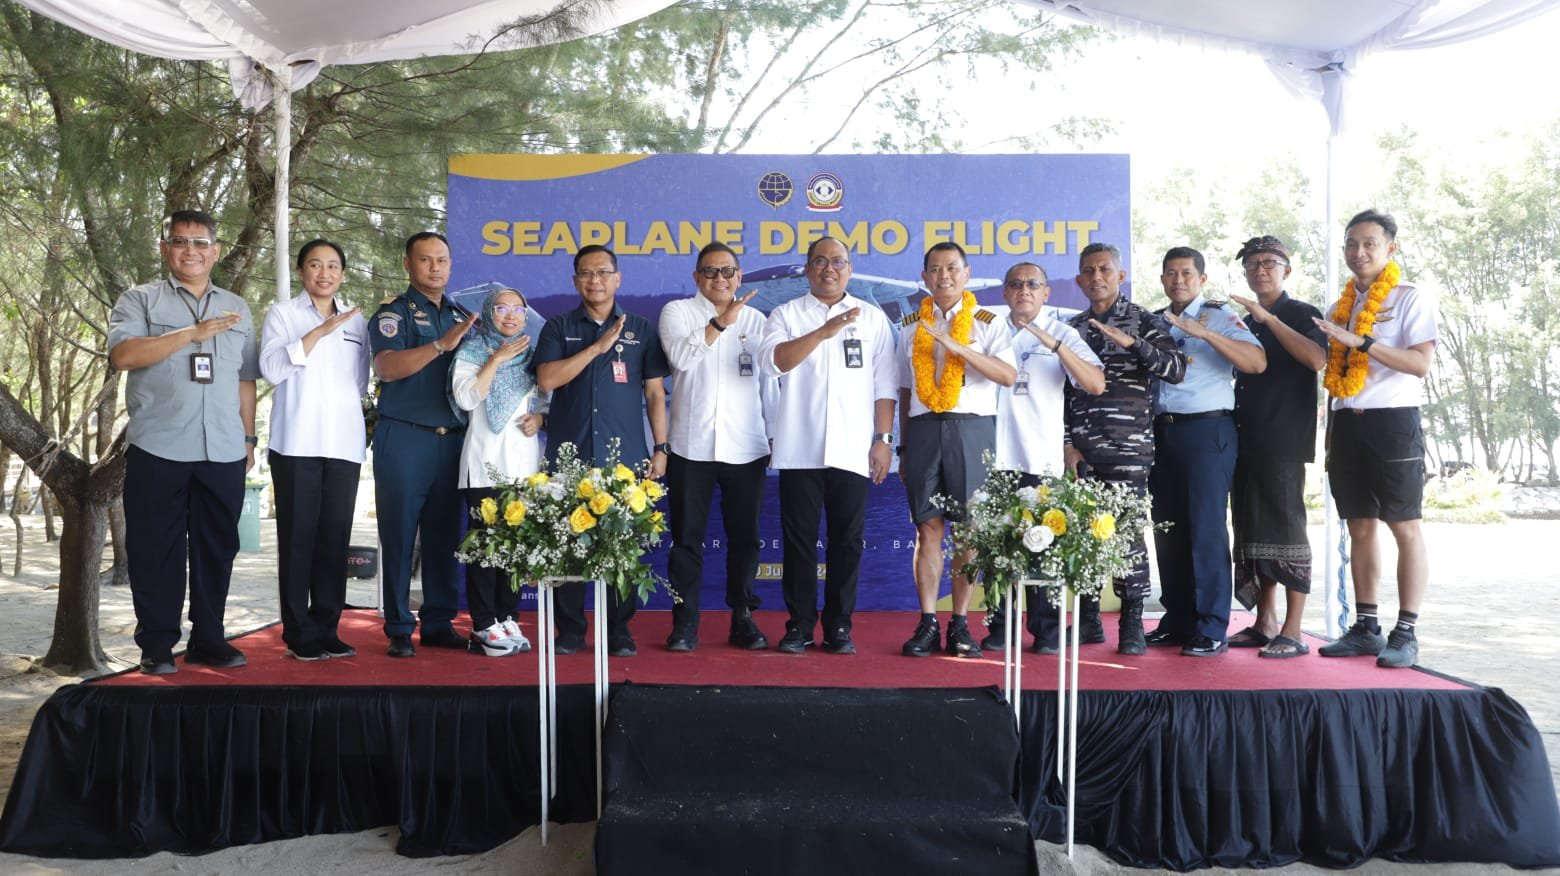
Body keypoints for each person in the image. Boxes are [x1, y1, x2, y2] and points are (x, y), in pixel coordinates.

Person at [108, 209, 259, 674]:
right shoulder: (140, 300)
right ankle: (156, 645)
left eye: (200, 243)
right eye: (180, 241)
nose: (190, 250)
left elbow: (245, 378)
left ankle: (209, 638)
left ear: (215, 251)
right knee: (156, 548)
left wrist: (248, 437)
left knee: (217, 546)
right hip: (159, 445)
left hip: (224, 448)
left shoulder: (237, 307)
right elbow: (123, 355)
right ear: (165, 249)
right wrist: (190, 334)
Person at [759, 236, 897, 655]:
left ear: (849, 269)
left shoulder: (872, 319)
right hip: (799, 447)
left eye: (838, 261)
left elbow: (885, 386)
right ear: (807, 269)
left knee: (847, 542)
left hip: (853, 448)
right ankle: (800, 626)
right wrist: (824, 332)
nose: (829, 269)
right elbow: (775, 362)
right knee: (799, 541)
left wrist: (883, 440)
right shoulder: (786, 314)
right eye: (820, 261)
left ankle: (839, 626)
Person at [1312, 210, 1438, 668]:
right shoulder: (1338, 307)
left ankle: (1406, 631)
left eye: (1369, 243)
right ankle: (1366, 627)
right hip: (1347, 423)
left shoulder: (1408, 298)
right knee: (1359, 526)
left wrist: (1362, 343)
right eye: (1351, 243)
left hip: (1393, 422)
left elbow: (1419, 365)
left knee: (1404, 526)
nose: (1358, 252)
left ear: (1390, 249)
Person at [535, 244, 671, 658]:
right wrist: (595, 348)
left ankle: (618, 630)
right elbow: (547, 380)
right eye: (586, 273)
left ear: (618, 278)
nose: (595, 280)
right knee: (567, 541)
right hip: (569, 452)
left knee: (622, 545)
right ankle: (571, 631)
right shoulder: (558, 327)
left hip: (624, 455)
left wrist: (661, 447)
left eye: (603, 273)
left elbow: (654, 394)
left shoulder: (641, 329)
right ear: (575, 280)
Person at [1063, 242, 1187, 654]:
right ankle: (1088, 620)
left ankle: (1132, 622)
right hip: (1082, 451)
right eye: (1089, 271)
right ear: (1079, 279)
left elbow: (1176, 369)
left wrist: (1134, 344)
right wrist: (1067, 444)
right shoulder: (1072, 328)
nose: (1096, 277)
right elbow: (1060, 393)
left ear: (1120, 275)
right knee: (1084, 535)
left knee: (1127, 537)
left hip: (1128, 448)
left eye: (1104, 269)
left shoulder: (1144, 321)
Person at [1144, 247, 1266, 657]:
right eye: (1171, 273)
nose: (1178, 280)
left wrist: (1205, 335)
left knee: (1206, 530)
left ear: (1202, 279)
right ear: (1163, 279)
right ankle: (1177, 619)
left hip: (1206, 430)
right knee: (1168, 530)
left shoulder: (1219, 317)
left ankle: (1212, 625)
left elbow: (1256, 362)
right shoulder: (1156, 321)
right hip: (1162, 431)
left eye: (1186, 273)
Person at [897, 242, 1017, 659]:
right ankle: (928, 622)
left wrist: (959, 347)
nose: (943, 275)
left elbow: (1007, 375)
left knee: (969, 529)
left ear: (966, 274)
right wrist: (903, 448)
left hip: (972, 429)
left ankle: (961, 623)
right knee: (927, 528)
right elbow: (905, 390)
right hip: (924, 430)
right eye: (935, 269)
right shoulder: (911, 325)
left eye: (952, 268)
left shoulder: (988, 322)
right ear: (924, 277)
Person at [982, 262, 1104, 653]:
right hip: (992, 457)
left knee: (1042, 544)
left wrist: (1055, 347)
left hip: (1040, 457)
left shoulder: (1062, 332)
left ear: (1046, 293)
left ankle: (1047, 631)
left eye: (1033, 284)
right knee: (996, 547)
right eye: (1016, 284)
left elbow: (1095, 383)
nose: (1024, 290)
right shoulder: (988, 328)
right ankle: (1000, 627)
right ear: (1005, 292)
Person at [260, 238, 371, 662]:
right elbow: (271, 369)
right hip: (296, 442)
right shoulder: (283, 314)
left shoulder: (357, 322)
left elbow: (359, 382)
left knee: (334, 540)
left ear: (342, 273)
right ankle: (298, 632)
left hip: (343, 443)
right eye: (314, 265)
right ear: (302, 271)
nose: (324, 273)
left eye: (332, 266)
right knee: (297, 539)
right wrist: (319, 332)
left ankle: (327, 627)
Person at [657, 243, 772, 653]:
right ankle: (685, 624)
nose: (719, 279)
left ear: (739, 276)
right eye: (710, 271)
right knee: (687, 542)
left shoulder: (758, 320)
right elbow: (681, 360)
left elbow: (769, 384)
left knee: (746, 540)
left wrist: (774, 436)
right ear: (696, 277)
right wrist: (721, 322)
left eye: (727, 271)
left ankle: (743, 619)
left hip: (747, 447)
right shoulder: (677, 312)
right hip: (691, 447)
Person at [370, 231, 479, 659]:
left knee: (444, 535)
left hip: (452, 440)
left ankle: (438, 622)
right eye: (425, 259)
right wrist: (439, 345)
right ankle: (398, 626)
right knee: (399, 534)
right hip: (405, 437)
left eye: (442, 260)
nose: (435, 267)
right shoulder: (393, 313)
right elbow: (386, 367)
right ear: (407, 264)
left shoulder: (462, 314)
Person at [1227, 236, 1328, 659]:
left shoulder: (1302, 313)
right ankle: (1265, 621)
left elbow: (1316, 359)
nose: (1260, 270)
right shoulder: (1241, 321)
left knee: (1286, 530)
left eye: (1269, 262)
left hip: (1284, 437)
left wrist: (1269, 319)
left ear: (1287, 270)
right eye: (1252, 264)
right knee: (1252, 531)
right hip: (1243, 435)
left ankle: (1294, 628)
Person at [452, 288, 541, 657]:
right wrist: (496, 359)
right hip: (484, 463)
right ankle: (483, 624)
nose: (510, 315)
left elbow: (547, 400)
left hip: (522, 465)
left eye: (518, 309)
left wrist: (541, 418)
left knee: (515, 548)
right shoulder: (472, 351)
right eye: (502, 308)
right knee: (486, 548)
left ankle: (507, 617)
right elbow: (466, 398)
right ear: (489, 312)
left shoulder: (533, 355)